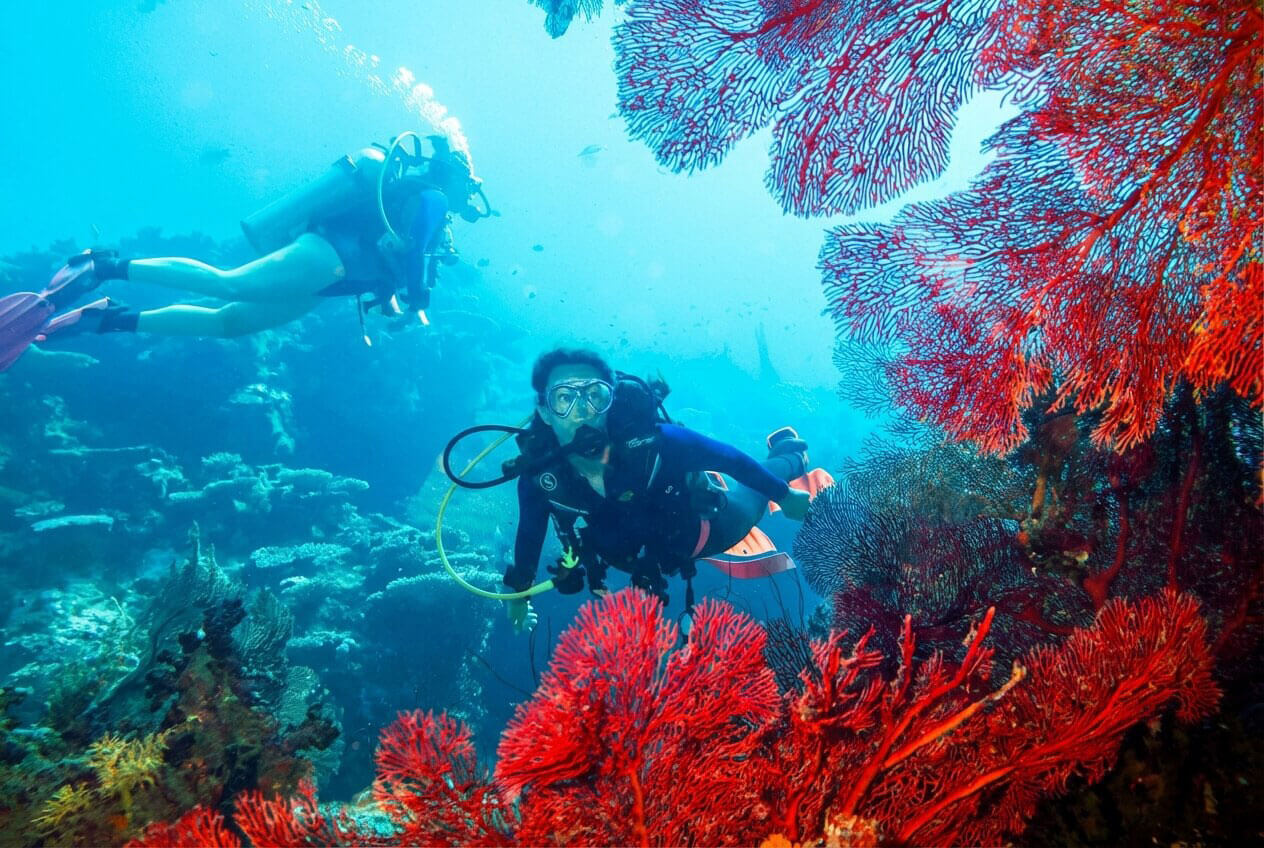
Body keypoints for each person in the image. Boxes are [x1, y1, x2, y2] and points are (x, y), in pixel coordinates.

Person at [0, 133, 488, 368]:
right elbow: (416, 247)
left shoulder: (423, 200)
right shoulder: (433, 196)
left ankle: (109, 318)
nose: (472, 195)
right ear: (455, 175)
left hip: (335, 280)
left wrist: (394, 300)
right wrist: (420, 298)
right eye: (470, 182)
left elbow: (398, 257)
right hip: (329, 256)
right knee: (229, 283)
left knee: (228, 322)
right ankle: (105, 265)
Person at [502, 348, 816, 633]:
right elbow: (530, 534)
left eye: (594, 395)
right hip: (626, 555)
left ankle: (789, 453)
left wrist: (784, 496)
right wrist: (519, 593)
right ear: (544, 411)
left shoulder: (656, 443)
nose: (581, 411)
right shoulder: (540, 478)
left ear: (610, 401)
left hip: (703, 531)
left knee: (751, 497)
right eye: (563, 398)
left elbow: (730, 458)